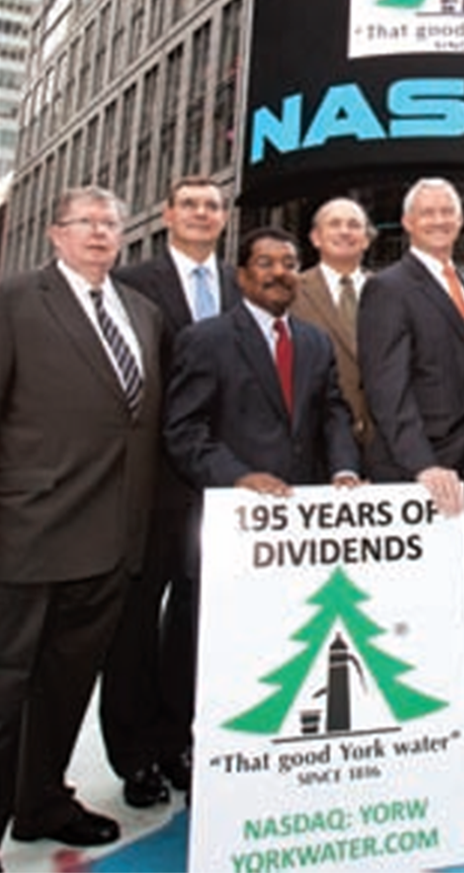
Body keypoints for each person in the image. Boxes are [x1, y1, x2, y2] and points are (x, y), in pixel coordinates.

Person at [0, 187, 162, 858]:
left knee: (69, 683)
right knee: (7, 685)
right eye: (85, 223)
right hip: (29, 528)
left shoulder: (143, 312)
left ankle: (40, 801)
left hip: (111, 535)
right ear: (55, 234)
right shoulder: (13, 302)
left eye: (110, 223)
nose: (100, 233)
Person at [357, 178, 464, 785]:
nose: (442, 220)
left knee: (452, 615)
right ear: (407, 221)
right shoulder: (389, 289)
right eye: (430, 212)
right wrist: (422, 465)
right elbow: (387, 390)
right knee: (406, 619)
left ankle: (443, 741)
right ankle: (404, 749)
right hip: (419, 481)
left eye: (450, 211)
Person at [100, 176, 239, 809]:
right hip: (155, 485)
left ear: (224, 215)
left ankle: (179, 740)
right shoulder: (133, 286)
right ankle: (133, 757)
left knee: (196, 620)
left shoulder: (242, 286)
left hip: (224, 485)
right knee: (134, 624)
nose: (202, 214)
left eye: (212, 205)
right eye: (190, 204)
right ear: (167, 215)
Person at [163, 227, 360, 497]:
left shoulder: (317, 342)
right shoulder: (206, 340)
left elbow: (333, 413)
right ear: (241, 277)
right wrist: (238, 477)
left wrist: (344, 470)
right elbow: (185, 431)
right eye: (265, 263)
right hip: (238, 511)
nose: (279, 272)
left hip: (308, 508)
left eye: (289, 264)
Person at [290, 197, 375, 473]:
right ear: (316, 237)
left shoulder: (391, 291)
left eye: (354, 225)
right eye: (334, 224)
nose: (345, 231)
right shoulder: (290, 293)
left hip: (385, 448)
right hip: (315, 448)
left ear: (366, 239)